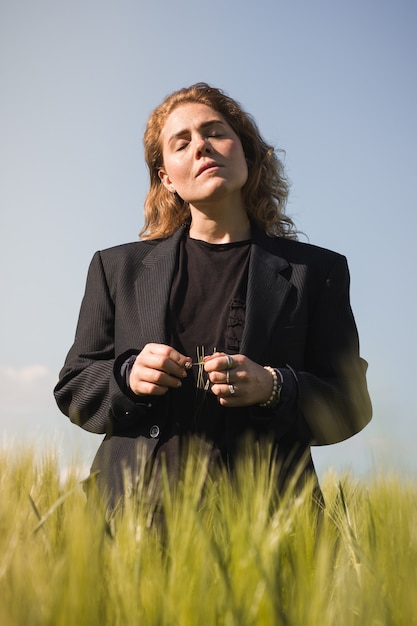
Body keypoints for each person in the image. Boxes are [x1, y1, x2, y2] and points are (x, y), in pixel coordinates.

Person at [54, 83, 372, 511]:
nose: (201, 147)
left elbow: (350, 403)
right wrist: (127, 376)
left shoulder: (317, 271)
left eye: (215, 132)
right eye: (181, 143)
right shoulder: (116, 269)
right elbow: (74, 386)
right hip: (129, 523)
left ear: (246, 152)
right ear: (166, 175)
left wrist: (274, 386)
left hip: (268, 527)